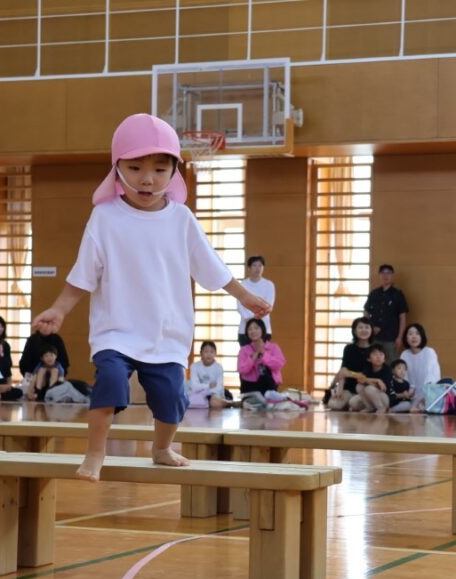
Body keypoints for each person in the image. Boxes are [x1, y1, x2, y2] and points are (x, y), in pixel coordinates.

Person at [31, 113, 270, 482]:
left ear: (174, 171)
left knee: (172, 397)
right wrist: (59, 309)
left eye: (159, 169)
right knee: (110, 383)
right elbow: (84, 273)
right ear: (117, 168)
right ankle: (95, 452)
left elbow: (211, 266)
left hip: (166, 332)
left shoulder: (181, 219)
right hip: (116, 330)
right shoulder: (105, 217)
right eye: (135, 167)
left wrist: (245, 296)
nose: (147, 179)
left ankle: (162, 447)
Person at [327, 317, 374, 411]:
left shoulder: (375, 349)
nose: (364, 330)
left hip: (364, 388)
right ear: (354, 331)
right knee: (333, 405)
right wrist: (340, 389)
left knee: (354, 404)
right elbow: (343, 370)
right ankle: (348, 401)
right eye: (360, 327)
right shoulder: (349, 348)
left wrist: (350, 373)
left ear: (371, 330)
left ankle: (353, 403)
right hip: (349, 388)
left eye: (367, 327)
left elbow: (364, 375)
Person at [364, 264, 408, 361]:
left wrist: (400, 337)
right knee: (374, 362)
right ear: (379, 275)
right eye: (383, 273)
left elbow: (402, 317)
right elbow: (366, 313)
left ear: (392, 275)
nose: (385, 275)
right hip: (374, 337)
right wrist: (370, 328)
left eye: (388, 273)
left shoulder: (398, 294)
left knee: (391, 364)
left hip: (391, 338)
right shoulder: (374, 293)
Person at [398, 323, 441, 412]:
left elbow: (432, 376)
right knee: (404, 406)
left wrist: (425, 395)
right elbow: (403, 376)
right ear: (406, 338)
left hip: (427, 396)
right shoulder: (404, 354)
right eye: (410, 334)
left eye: (417, 333)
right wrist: (407, 391)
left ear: (422, 336)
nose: (414, 337)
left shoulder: (429, 352)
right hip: (411, 396)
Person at [238, 318, 285, 395]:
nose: (253, 331)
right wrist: (254, 356)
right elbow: (242, 369)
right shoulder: (244, 350)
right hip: (249, 386)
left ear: (262, 330)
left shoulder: (273, 347)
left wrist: (264, 353)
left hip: (270, 386)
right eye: (250, 329)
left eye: (256, 328)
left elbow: (278, 365)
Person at [237, 256, 276, 346]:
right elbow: (240, 306)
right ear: (249, 268)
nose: (257, 268)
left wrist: (256, 317)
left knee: (263, 354)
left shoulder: (269, 285)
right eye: (254, 265)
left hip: (264, 329)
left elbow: (268, 306)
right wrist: (253, 317)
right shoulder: (243, 284)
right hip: (245, 329)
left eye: (260, 265)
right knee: (246, 354)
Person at [349, 344, 392, 413]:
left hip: (384, 399)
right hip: (371, 398)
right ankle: (369, 407)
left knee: (369, 388)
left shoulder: (387, 370)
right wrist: (377, 380)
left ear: (384, 359)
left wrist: (367, 381)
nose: (378, 357)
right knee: (357, 391)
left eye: (381, 354)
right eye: (375, 354)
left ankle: (381, 408)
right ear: (368, 359)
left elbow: (383, 388)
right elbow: (359, 380)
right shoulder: (368, 368)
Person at [188, 341, 229, 409]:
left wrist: (206, 390)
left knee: (214, 402)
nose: (209, 354)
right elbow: (194, 386)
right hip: (199, 395)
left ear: (215, 353)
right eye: (206, 351)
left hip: (214, 395)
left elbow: (219, 388)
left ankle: (230, 403)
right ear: (201, 353)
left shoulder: (219, 367)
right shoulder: (194, 366)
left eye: (212, 352)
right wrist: (209, 386)